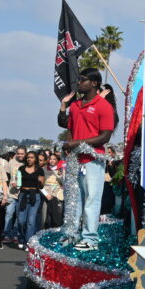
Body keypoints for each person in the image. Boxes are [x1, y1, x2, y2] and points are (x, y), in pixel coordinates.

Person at [57, 68, 115, 251]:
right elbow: (69, 129)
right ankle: (71, 234)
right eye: (78, 79)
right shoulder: (75, 106)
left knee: (92, 199)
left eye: (82, 80)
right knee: (74, 200)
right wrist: (69, 144)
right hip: (75, 161)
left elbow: (105, 136)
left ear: (95, 83)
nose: (78, 83)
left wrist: (76, 143)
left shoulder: (103, 106)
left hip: (93, 160)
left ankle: (90, 239)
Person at [15, 151, 44, 250]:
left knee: (31, 221)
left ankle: (28, 242)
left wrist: (41, 181)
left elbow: (41, 186)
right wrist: (16, 182)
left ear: (35, 159)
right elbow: (18, 182)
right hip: (23, 195)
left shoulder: (39, 170)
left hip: (35, 196)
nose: (29, 159)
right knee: (21, 220)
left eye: (32, 157)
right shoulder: (21, 169)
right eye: (28, 157)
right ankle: (21, 238)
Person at [3, 146, 26, 243]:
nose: (20, 155)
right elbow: (7, 175)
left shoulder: (27, 163)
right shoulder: (11, 162)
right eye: (18, 153)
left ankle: (16, 235)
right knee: (9, 214)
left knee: (19, 216)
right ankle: (6, 234)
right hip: (11, 193)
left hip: (22, 193)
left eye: (22, 153)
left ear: (25, 153)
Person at [43, 153, 64, 228]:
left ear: (57, 160)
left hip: (56, 196)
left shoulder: (60, 170)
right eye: (51, 159)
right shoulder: (44, 169)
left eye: (54, 159)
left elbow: (63, 183)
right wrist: (46, 194)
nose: (52, 161)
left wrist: (60, 175)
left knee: (56, 215)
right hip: (46, 195)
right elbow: (40, 185)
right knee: (45, 217)